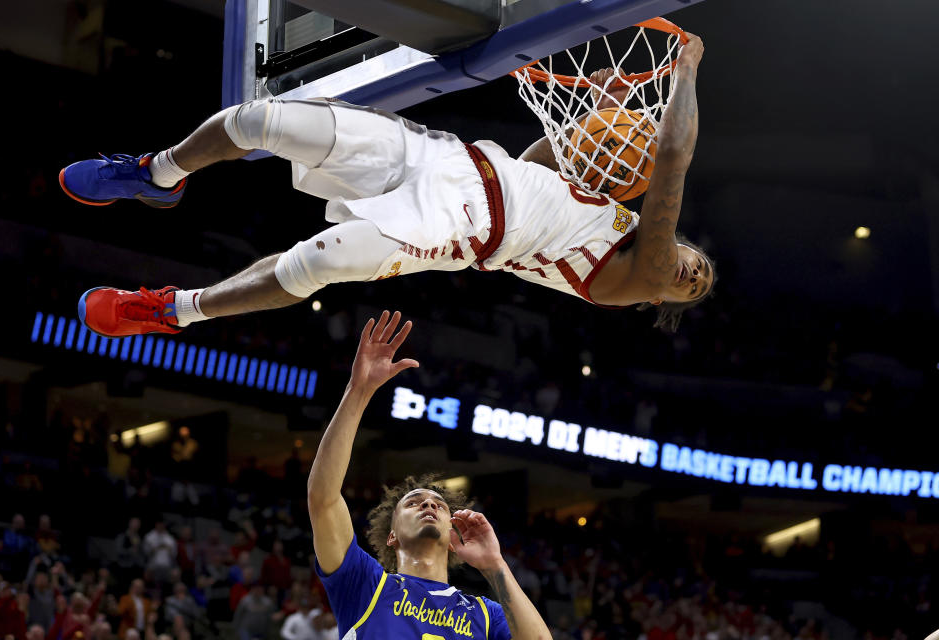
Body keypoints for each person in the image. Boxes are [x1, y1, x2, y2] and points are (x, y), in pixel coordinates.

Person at [61, 35, 711, 335]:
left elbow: (674, 162)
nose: (692, 278)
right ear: (694, 248)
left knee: (322, 260)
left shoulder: (644, 275)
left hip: (458, 231)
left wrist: (683, 75)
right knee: (259, 118)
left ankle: (174, 309)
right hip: (453, 163)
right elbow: (533, 170)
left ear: (666, 300)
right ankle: (157, 175)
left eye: (695, 289)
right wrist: (596, 111)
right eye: (702, 270)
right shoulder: (602, 213)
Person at [302, 309, 554, 639]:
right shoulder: (365, 585)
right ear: (391, 535)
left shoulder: (486, 615)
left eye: (439, 504)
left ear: (453, 538)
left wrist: (495, 567)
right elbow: (323, 499)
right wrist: (359, 390)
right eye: (413, 503)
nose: (429, 505)